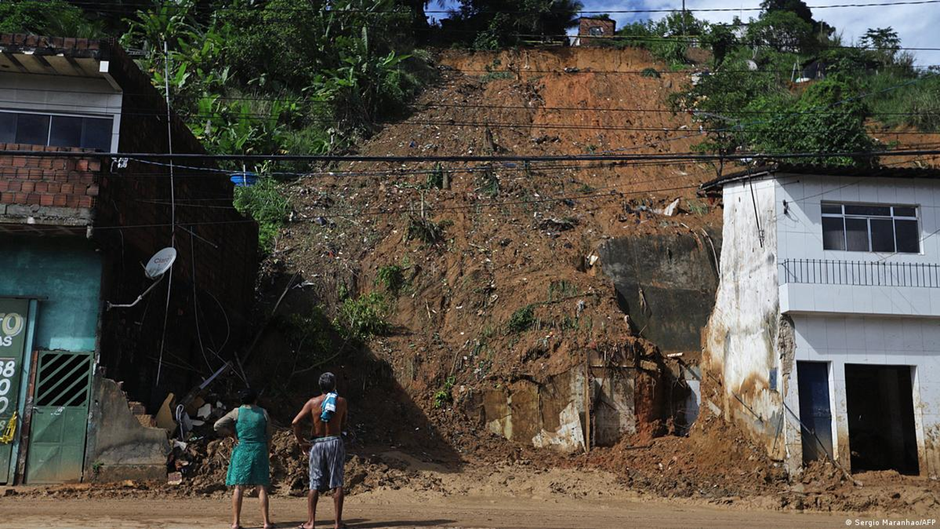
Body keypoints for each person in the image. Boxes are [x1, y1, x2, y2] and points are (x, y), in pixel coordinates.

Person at [292, 372, 348, 529]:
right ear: (334, 385)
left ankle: (311, 522)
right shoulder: (341, 402)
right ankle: (337, 523)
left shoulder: (312, 403)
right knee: (337, 483)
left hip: (317, 444)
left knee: (314, 483)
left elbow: (295, 422)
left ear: (320, 386)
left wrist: (301, 442)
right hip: (334, 442)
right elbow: (344, 423)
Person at [214, 388, 274, 529]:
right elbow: (269, 437)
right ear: (255, 400)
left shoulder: (236, 412)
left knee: (239, 487)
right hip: (259, 449)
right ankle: (266, 523)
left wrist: (231, 435)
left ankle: (236, 523)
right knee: (261, 487)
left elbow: (217, 425)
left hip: (242, 450)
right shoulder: (263, 413)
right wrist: (266, 451)